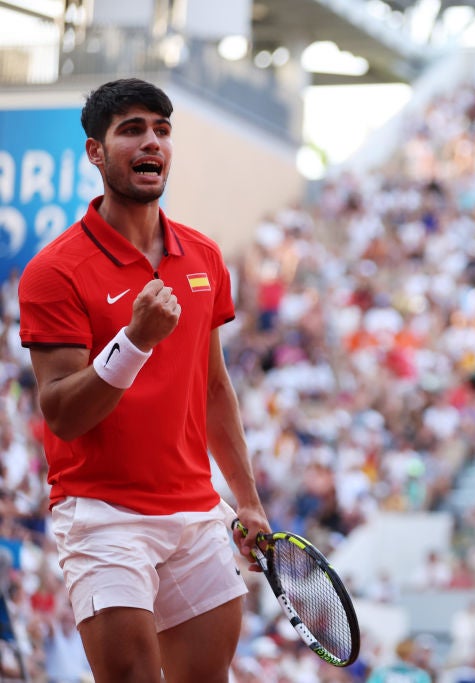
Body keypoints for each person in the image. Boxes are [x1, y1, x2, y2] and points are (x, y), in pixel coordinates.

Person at [17, 78, 271, 682]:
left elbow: (213, 389)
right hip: (103, 514)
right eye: (131, 129)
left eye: (161, 129)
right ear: (95, 152)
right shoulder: (53, 271)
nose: (150, 140)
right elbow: (62, 412)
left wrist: (249, 500)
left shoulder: (205, 257)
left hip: (195, 513)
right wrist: (134, 342)